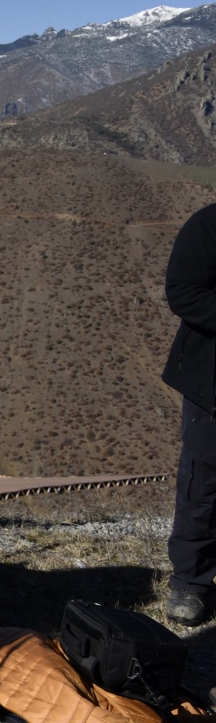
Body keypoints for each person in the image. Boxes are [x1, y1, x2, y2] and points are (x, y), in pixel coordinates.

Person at [162, 203, 216, 626]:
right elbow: (183, 291)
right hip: (211, 382)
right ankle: (190, 582)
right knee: (202, 483)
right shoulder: (209, 225)